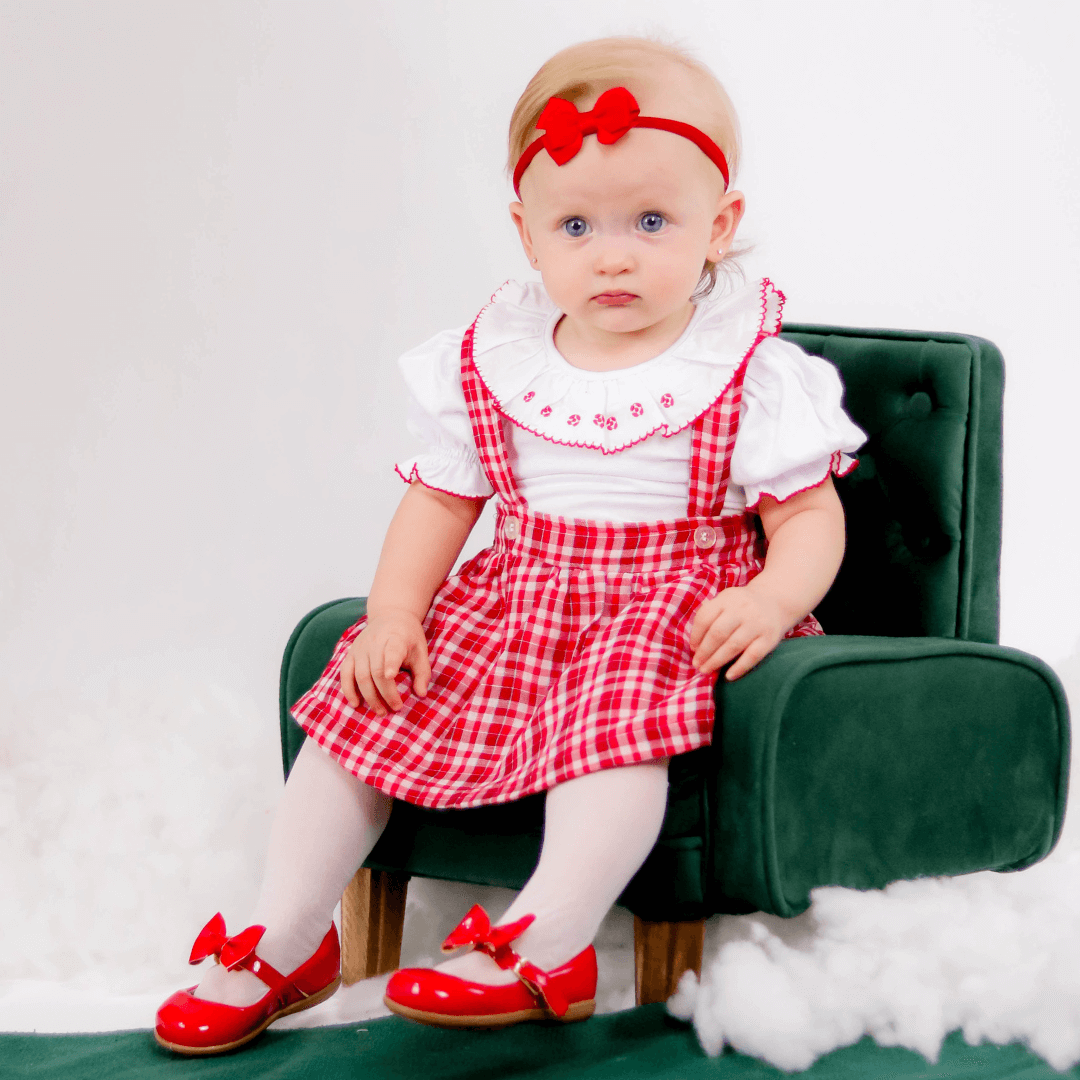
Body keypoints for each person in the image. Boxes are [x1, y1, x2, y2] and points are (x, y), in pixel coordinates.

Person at [154, 35, 866, 1055]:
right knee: (362, 714)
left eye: (652, 221)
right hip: (518, 599)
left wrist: (769, 597)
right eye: (577, 224)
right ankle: (287, 935)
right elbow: (443, 502)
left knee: (612, 726)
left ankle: (551, 936)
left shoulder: (746, 366)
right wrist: (395, 613)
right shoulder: (499, 357)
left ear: (722, 226)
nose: (612, 254)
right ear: (528, 235)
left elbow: (805, 516)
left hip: (667, 607)